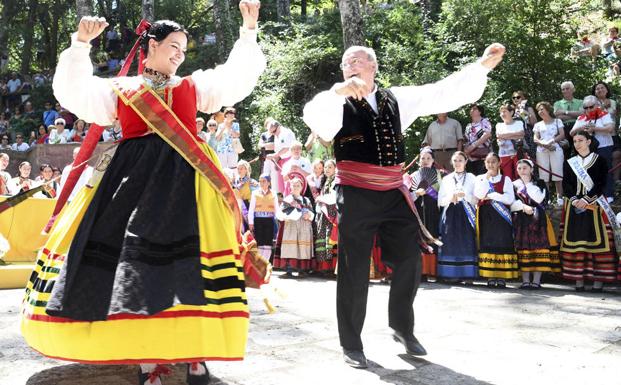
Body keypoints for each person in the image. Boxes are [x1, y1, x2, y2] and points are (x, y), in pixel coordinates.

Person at [21, 5, 265, 384]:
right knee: (137, 272)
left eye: (183, 49)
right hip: (132, 185)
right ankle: (151, 362)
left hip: (190, 185)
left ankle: (195, 353)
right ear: (150, 46)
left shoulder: (192, 87)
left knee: (192, 268)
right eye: (172, 46)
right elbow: (74, 93)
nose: (179, 55)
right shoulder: (120, 90)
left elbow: (236, 78)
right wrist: (80, 45)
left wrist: (248, 29)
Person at [302, 42, 505, 368]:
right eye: (345, 63)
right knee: (354, 269)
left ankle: (401, 328)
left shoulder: (396, 98)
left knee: (410, 259)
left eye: (357, 60)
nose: (350, 65)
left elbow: (441, 92)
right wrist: (339, 90)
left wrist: (480, 68)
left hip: (394, 191)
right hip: (355, 192)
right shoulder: (335, 102)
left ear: (373, 67)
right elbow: (314, 116)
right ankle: (352, 344)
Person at [560, 130, 619, 292]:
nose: (577, 143)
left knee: (598, 243)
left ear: (588, 141)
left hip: (595, 205)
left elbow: (601, 183)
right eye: (575, 141)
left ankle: (598, 281)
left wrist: (586, 199)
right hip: (574, 205)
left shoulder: (600, 160)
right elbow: (566, 185)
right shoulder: (570, 162)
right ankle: (578, 280)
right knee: (577, 242)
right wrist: (575, 199)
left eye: (580, 140)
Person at [510, 159, 560, 289]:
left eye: (525, 168)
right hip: (521, 219)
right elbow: (510, 203)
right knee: (523, 249)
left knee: (539, 248)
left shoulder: (540, 183)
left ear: (531, 169)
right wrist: (522, 206)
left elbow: (540, 199)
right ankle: (525, 280)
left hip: (538, 219)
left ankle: (536, 281)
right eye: (519, 168)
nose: (522, 171)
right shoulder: (513, 184)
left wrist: (527, 186)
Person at [474, 152, 518, 288]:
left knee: (502, 242)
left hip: (501, 217)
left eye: (493, 161)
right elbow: (479, 194)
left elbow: (509, 199)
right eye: (488, 162)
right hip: (486, 216)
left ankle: (502, 276)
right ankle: (490, 276)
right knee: (488, 242)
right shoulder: (481, 178)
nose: (491, 164)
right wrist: (487, 182)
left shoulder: (506, 179)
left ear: (499, 163)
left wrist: (492, 195)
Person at [437, 151, 478, 282]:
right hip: (450, 213)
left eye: (460, 160)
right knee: (450, 242)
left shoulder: (472, 178)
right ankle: (451, 274)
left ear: (466, 162)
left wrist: (464, 195)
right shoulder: (446, 179)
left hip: (467, 213)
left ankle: (468, 275)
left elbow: (477, 198)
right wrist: (451, 197)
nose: (457, 163)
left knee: (467, 241)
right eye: (455, 160)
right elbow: (440, 201)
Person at [570, 95, 615, 202]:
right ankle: (593, 195)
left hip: (604, 146)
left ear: (597, 105)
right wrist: (582, 128)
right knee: (590, 172)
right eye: (586, 107)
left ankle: (608, 195)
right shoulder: (581, 118)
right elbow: (572, 133)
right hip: (588, 149)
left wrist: (595, 128)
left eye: (591, 107)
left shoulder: (604, 114)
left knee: (606, 170)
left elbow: (610, 128)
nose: (588, 109)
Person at [410, 147, 442, 280]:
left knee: (432, 235)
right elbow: (408, 197)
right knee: (418, 237)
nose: (425, 161)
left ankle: (432, 271)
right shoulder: (412, 176)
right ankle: (420, 271)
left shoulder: (439, 175)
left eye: (428, 158)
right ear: (419, 161)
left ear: (433, 160)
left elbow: (442, 195)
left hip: (433, 210)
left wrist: (430, 192)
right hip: (417, 211)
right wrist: (416, 194)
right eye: (423, 158)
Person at [273, 177, 314, 277]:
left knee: (302, 248)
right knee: (290, 248)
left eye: (298, 185)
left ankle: (302, 270)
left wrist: (309, 215)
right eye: (294, 185)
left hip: (303, 228)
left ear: (301, 187)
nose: (295, 187)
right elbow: (279, 213)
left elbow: (312, 214)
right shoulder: (287, 199)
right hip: (291, 227)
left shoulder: (306, 200)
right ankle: (289, 270)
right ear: (290, 187)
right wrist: (285, 217)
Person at [533, 101, 565, 204]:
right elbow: (535, 139)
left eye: (542, 109)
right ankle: (547, 198)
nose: (540, 111)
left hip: (555, 148)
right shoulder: (538, 124)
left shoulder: (557, 121)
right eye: (538, 110)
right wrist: (544, 144)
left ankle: (560, 197)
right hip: (541, 150)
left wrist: (552, 142)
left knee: (557, 172)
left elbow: (562, 135)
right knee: (544, 175)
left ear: (548, 109)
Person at [313, 159, 338, 274]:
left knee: (330, 239)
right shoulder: (326, 180)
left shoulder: (336, 181)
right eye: (326, 167)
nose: (327, 169)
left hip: (331, 214)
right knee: (322, 239)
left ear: (335, 168)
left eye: (330, 167)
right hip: (324, 214)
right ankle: (323, 267)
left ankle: (332, 267)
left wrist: (320, 198)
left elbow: (334, 198)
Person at [248, 174, 279, 261]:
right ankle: (260, 262)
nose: (261, 183)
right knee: (260, 242)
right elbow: (251, 209)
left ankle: (265, 262)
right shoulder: (255, 193)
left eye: (264, 181)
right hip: (258, 221)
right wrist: (251, 222)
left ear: (269, 183)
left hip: (269, 220)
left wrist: (280, 219)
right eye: (260, 181)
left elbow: (277, 209)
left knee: (268, 242)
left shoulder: (273, 194)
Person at [553, 81, 583, 158]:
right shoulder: (557, 103)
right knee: (565, 153)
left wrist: (564, 112)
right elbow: (558, 117)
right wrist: (575, 116)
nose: (565, 91)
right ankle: (567, 170)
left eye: (567, 88)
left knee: (580, 151)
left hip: (578, 127)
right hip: (563, 129)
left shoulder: (580, 102)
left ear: (573, 89)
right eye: (563, 89)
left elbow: (582, 114)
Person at [496, 103, 524, 180]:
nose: (502, 114)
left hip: (518, 153)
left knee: (520, 175)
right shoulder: (499, 125)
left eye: (504, 111)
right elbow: (499, 136)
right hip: (504, 155)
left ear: (511, 112)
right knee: (507, 177)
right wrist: (514, 135)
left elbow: (521, 135)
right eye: (501, 112)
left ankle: (521, 192)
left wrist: (504, 136)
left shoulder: (519, 123)